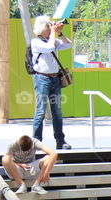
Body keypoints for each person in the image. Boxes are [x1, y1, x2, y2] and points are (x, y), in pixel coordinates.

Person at [29, 16, 71, 150]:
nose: (50, 27)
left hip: (54, 78)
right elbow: (50, 47)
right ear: (42, 28)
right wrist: (54, 33)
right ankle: (36, 141)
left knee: (57, 111)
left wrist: (60, 33)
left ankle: (60, 140)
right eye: (48, 26)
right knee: (40, 111)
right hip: (42, 79)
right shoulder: (36, 41)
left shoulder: (51, 39)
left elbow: (67, 44)